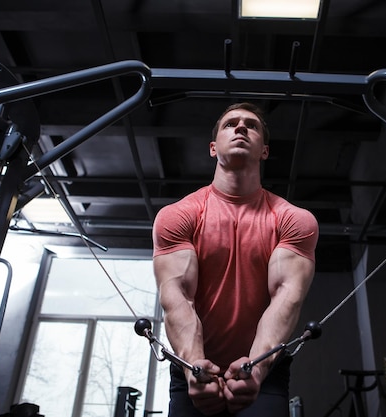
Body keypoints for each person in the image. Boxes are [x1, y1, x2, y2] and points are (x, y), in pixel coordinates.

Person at [152, 102, 318, 416]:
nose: (241, 128)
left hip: (264, 369)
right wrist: (194, 368)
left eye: (251, 125)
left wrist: (256, 367)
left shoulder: (293, 219)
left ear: (265, 151)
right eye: (231, 124)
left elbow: (286, 297)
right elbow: (177, 297)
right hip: (194, 367)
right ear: (213, 148)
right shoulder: (178, 215)